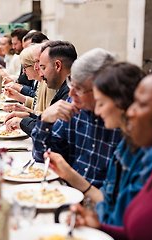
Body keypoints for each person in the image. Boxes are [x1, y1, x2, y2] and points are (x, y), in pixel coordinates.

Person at [46, 62, 152, 226]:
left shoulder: (148, 156)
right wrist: (69, 174)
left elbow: (125, 223)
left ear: (122, 103)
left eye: (101, 103)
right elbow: (108, 203)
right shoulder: (126, 145)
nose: (97, 111)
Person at [70, 71, 152, 240]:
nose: (131, 112)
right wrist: (100, 228)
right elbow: (134, 233)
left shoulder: (150, 159)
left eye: (141, 104)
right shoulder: (133, 149)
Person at [32, 48, 122, 188]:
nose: (71, 93)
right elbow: (42, 156)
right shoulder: (73, 106)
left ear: (104, 88)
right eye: (70, 84)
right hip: (66, 192)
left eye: (79, 88)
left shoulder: (119, 121)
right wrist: (45, 120)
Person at [6, 40, 76, 136]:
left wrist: (23, 122)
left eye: (42, 67)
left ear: (57, 66)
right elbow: (48, 120)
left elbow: (51, 134)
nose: (40, 72)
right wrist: (29, 115)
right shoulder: (64, 87)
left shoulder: (70, 92)